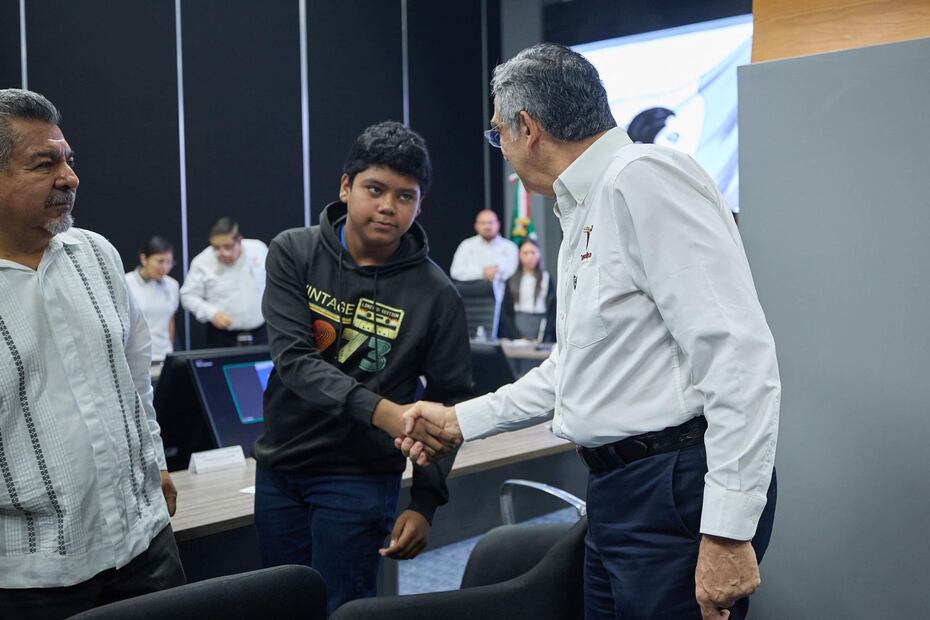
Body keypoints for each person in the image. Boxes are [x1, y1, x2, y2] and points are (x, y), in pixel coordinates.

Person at [400, 43, 779, 620]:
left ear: (528, 128)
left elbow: (737, 358)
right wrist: (459, 421)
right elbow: (577, 366)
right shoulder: (589, 204)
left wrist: (727, 533)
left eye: (497, 133)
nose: (500, 151)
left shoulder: (644, 179)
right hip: (622, 492)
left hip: (672, 489)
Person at [253, 121, 472, 614]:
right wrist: (386, 412)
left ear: (419, 204)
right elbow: (293, 361)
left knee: (343, 609)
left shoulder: (437, 295)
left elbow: (448, 401)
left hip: (360, 476)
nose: (388, 207)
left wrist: (425, 502)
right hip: (280, 467)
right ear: (346, 186)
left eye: (405, 196)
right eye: (375, 189)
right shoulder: (294, 251)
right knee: (276, 606)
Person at [0, 89, 184, 619]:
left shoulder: (97, 254)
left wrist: (156, 461)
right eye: (44, 163)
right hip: (30, 575)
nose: (69, 177)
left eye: (68, 159)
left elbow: (134, 373)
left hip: (143, 541)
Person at [180, 217, 268, 347]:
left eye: (228, 247)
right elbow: (187, 296)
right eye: (216, 247)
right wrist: (211, 313)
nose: (223, 253)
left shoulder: (258, 250)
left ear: (239, 240)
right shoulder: (202, 262)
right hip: (223, 336)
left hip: (261, 332)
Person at [125, 235, 180, 367]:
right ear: (144, 258)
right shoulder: (126, 283)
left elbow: (170, 320)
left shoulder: (172, 285)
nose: (165, 267)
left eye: (169, 262)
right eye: (160, 261)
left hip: (164, 356)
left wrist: (169, 349)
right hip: (136, 358)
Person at [497, 237, 556, 342]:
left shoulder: (546, 278)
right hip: (518, 327)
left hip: (540, 329)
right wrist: (517, 336)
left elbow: (552, 311)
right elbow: (506, 313)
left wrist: (543, 336)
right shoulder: (511, 280)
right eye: (525, 253)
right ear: (519, 255)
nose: (530, 257)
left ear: (539, 254)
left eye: (533, 252)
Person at [449, 208, 518, 282]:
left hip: (504, 291)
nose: (487, 226)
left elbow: (516, 272)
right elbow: (455, 272)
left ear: (498, 224)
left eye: (490, 222)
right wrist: (482, 272)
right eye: (483, 223)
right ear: (476, 226)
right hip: (473, 291)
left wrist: (497, 271)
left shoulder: (510, 247)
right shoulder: (466, 245)